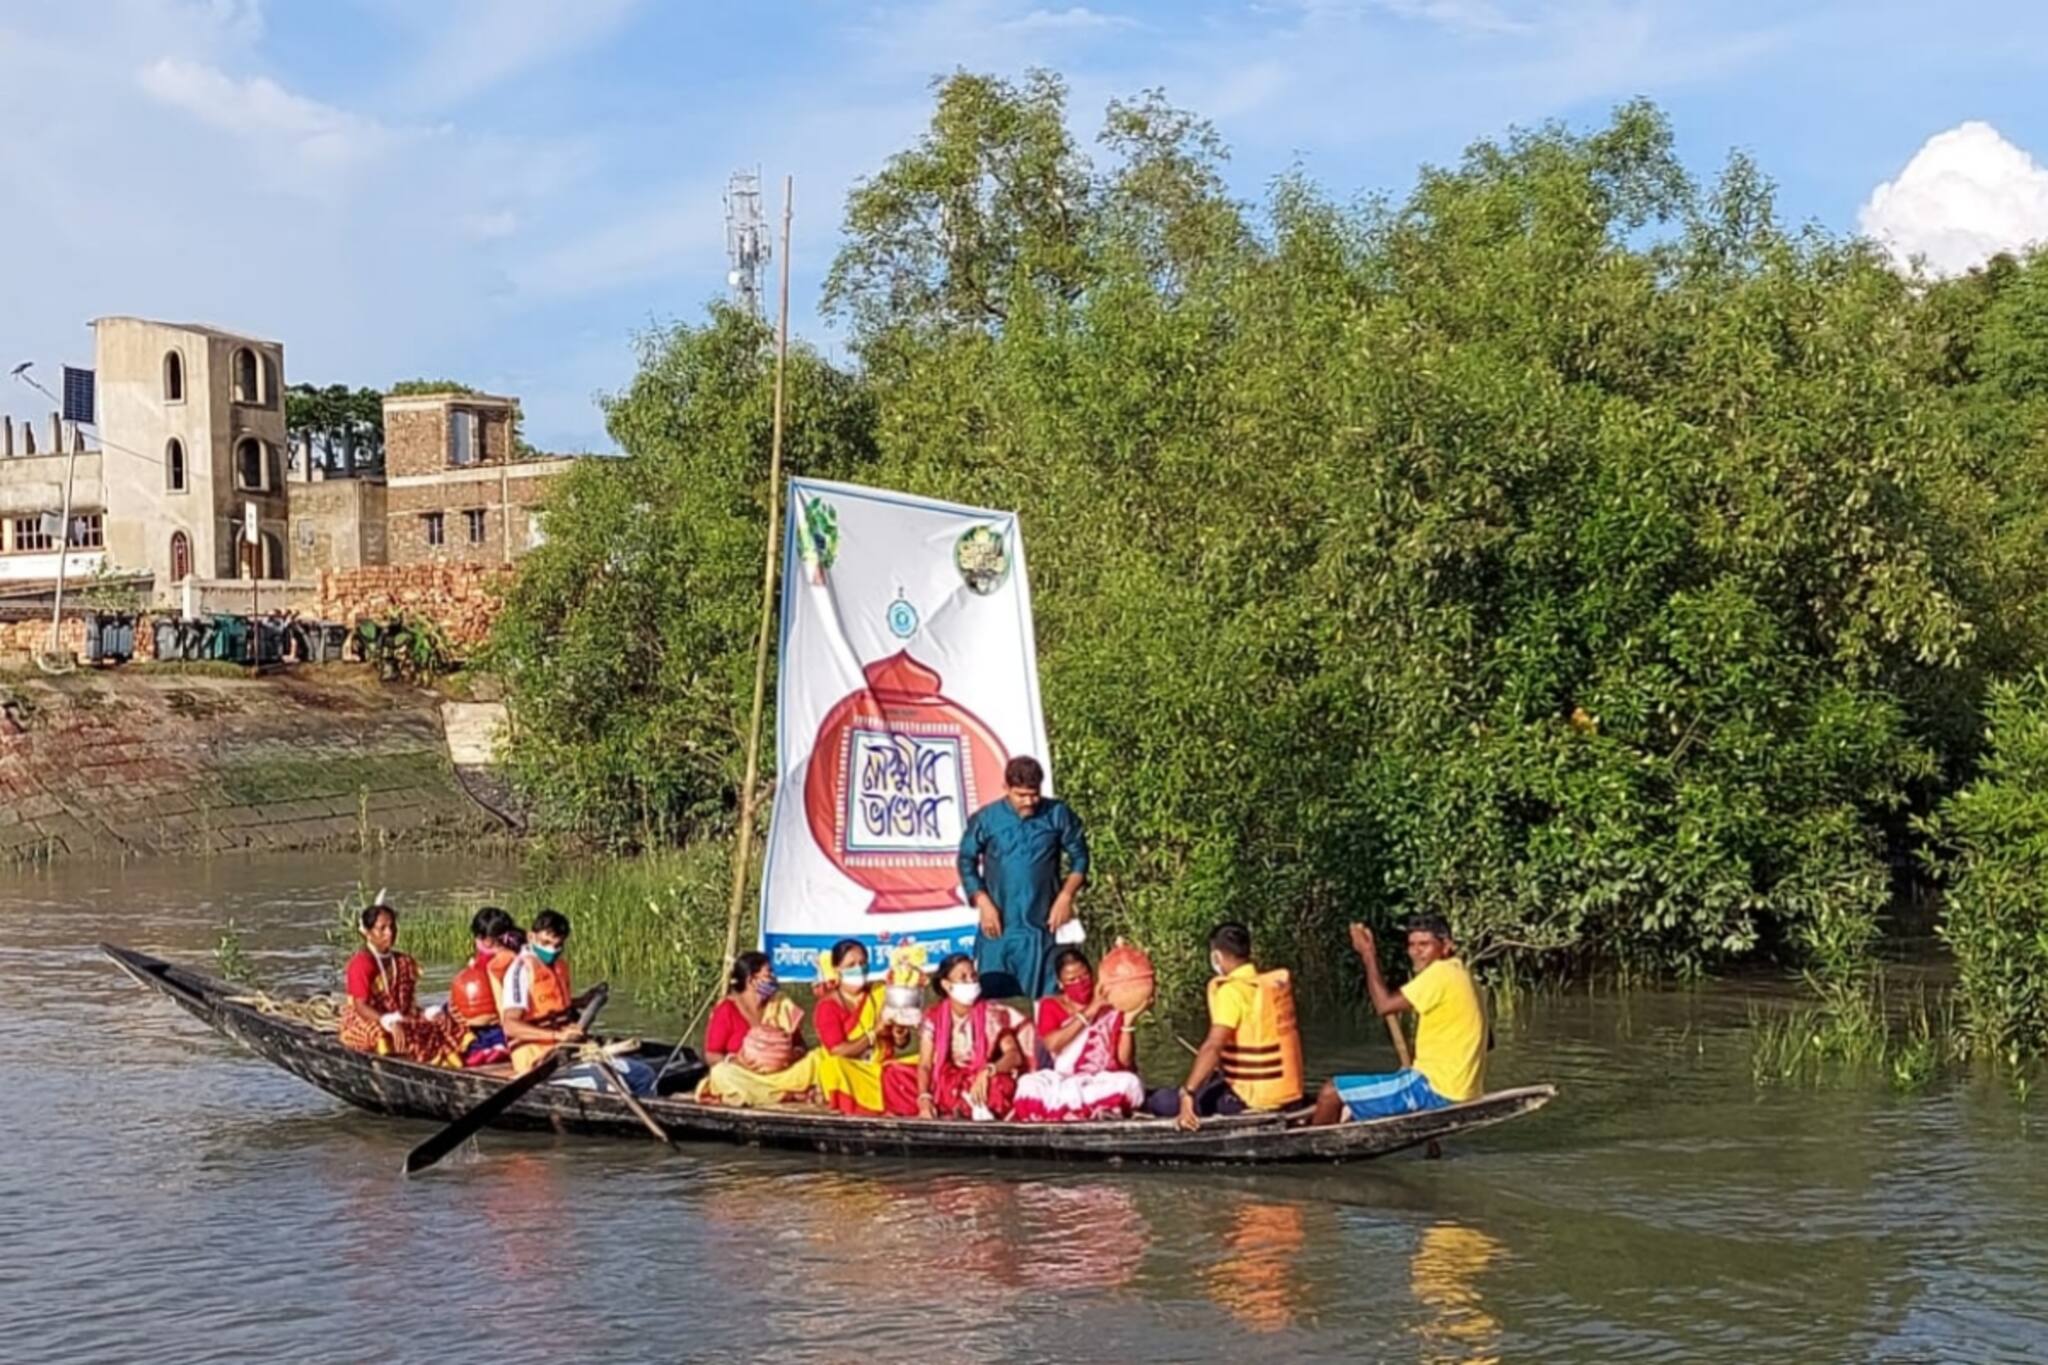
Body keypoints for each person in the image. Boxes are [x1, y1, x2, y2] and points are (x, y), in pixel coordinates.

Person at [1311, 916, 1486, 1124]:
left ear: (1446, 946)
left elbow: (1384, 1005)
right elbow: (1487, 1041)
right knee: (1345, 1107)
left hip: (1434, 1089)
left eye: (1424, 945)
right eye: (1412, 945)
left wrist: (1368, 954)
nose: (1415, 952)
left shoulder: (1440, 973)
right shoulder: (1465, 976)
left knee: (1331, 1092)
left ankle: (1309, 1149)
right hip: (1463, 1090)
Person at [957, 754, 1090, 1001]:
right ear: (1006, 788)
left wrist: (1066, 895)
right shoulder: (987, 819)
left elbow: (1080, 858)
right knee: (994, 1002)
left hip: (1043, 925)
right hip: (1000, 926)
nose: (1029, 801)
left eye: (1034, 794)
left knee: (1049, 1000)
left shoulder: (1057, 813)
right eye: (1021, 795)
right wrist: (983, 901)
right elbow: (966, 860)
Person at [1150, 922, 1303, 1130]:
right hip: (1285, 1094)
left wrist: (1188, 1093)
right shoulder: (1267, 986)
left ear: (1216, 956)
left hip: (1249, 1101)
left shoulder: (1231, 992)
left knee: (1160, 1100)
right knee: (1211, 1081)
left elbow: (1214, 1045)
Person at [1012, 948, 1148, 1122]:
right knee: (1028, 1084)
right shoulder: (1050, 1005)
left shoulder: (1111, 1005)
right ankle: (1087, 1111)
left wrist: (1128, 1022)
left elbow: (1125, 1061)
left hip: (1101, 1080)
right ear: (1060, 983)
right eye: (1072, 980)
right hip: (1062, 1080)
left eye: (1084, 976)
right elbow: (1053, 1044)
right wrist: (1090, 1011)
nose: (1080, 982)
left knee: (1130, 1083)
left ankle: (1098, 1110)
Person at [338, 900, 466, 1067]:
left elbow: (408, 1005)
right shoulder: (361, 963)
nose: (390, 933)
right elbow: (360, 1006)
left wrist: (427, 1014)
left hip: (399, 1016)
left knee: (444, 1022)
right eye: (382, 928)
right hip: (367, 1019)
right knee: (380, 1034)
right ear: (368, 933)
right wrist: (388, 1022)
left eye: (392, 927)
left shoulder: (403, 961)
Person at [811, 939, 920, 1117]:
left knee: (923, 1060)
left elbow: (901, 1044)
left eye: (862, 963)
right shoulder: (827, 1006)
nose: (859, 968)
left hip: (884, 1070)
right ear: (837, 969)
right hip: (855, 1073)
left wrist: (900, 1034)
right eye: (851, 964)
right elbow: (838, 1051)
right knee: (832, 1067)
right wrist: (873, 1033)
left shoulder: (880, 992)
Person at [912, 954, 1028, 1120]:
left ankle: (961, 1108)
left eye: (973, 976)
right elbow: (925, 1064)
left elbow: (1014, 1055)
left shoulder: (992, 1014)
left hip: (981, 1078)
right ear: (947, 985)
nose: (971, 982)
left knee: (998, 1086)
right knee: (894, 1075)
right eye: (963, 978)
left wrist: (989, 1070)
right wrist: (924, 1097)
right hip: (946, 1079)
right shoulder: (933, 1017)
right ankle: (947, 1106)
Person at [696, 951, 818, 1107]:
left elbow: (801, 1046)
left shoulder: (780, 1004)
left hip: (781, 1074)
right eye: (769, 974)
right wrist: (736, 1061)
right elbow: (711, 1055)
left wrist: (792, 1055)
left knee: (816, 1059)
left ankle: (769, 1094)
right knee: (720, 1073)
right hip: (745, 1075)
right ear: (752, 980)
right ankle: (782, 1094)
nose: (774, 978)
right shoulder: (727, 1009)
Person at [498, 909, 598, 1077]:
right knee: (634, 1077)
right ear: (531, 937)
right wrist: (557, 1035)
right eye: (545, 943)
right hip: (537, 1061)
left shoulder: (559, 966)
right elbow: (510, 1025)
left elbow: (549, 1005)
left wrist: (581, 1001)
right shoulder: (521, 970)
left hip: (563, 1051)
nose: (551, 950)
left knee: (641, 1072)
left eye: (557, 945)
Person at [447, 905, 517, 1067]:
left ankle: (493, 1050)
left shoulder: (511, 960)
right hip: (476, 1021)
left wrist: (484, 1019)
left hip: (499, 1021)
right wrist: (453, 1010)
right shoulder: (480, 960)